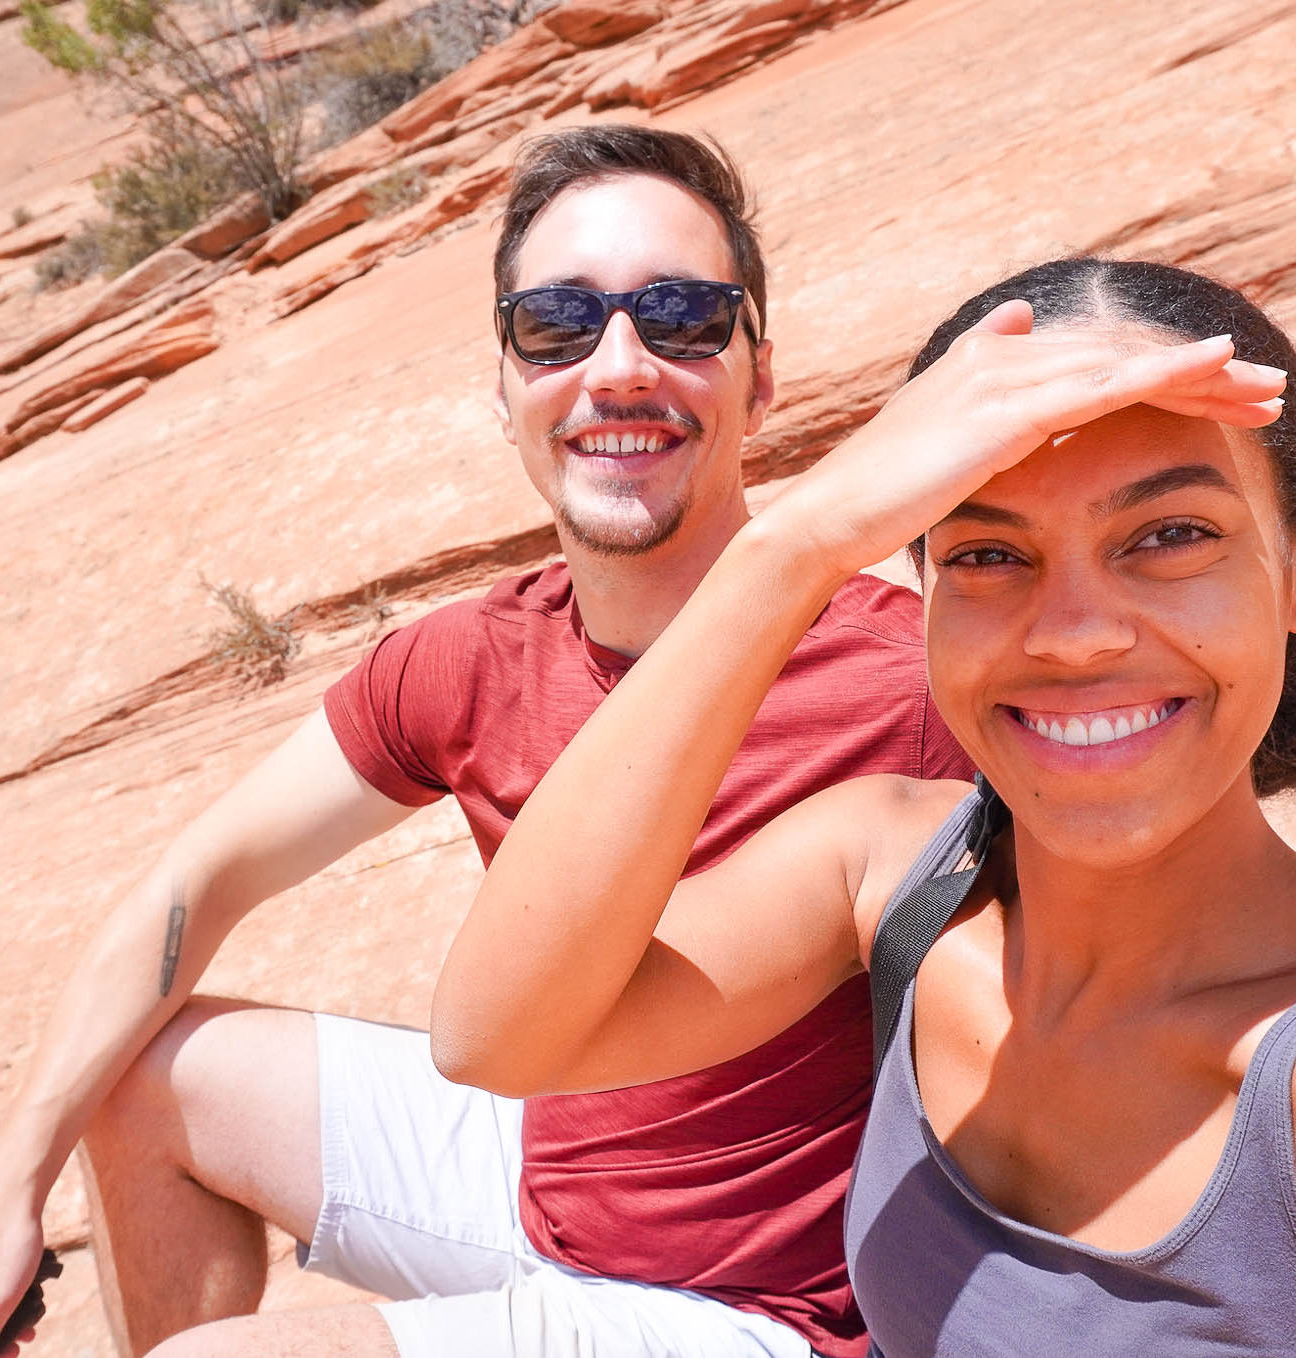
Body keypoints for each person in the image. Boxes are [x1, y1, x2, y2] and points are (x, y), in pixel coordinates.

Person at [0, 125, 971, 1358]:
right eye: (557, 322)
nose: (621, 366)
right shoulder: (475, 657)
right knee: (146, 1069)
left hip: (761, 1311)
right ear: (501, 386)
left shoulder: (909, 680)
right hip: (544, 1178)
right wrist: (4, 1185)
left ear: (761, 377)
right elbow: (193, 880)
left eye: (685, 315)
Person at [431, 256, 1296, 1354]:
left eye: (1170, 534)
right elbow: (493, 1034)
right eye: (985, 551)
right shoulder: (897, 872)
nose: (1075, 631)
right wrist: (795, 544)